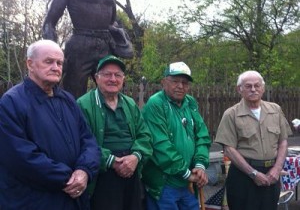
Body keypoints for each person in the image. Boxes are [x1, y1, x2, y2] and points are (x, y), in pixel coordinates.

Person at [0, 40, 101, 210]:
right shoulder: (12, 102)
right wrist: (68, 177)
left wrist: (84, 171)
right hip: (33, 200)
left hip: (73, 199)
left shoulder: (67, 100)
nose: (56, 67)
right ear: (30, 64)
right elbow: (20, 157)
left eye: (59, 63)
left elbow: (88, 140)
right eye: (49, 61)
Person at [77, 54, 152, 210]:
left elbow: (144, 134)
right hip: (103, 172)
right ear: (96, 78)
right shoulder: (83, 104)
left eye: (117, 75)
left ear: (123, 79)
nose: (113, 79)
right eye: (107, 74)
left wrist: (136, 157)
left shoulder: (130, 104)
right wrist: (111, 161)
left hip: (132, 168)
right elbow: (82, 141)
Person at [215, 70, 292, 210]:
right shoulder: (231, 114)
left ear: (263, 88)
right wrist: (253, 173)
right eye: (248, 86)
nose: (253, 89)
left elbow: (283, 141)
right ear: (239, 89)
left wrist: (277, 169)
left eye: (257, 85)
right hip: (243, 176)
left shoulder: (275, 110)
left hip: (271, 174)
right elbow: (229, 149)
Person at [142, 61, 211, 210]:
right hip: (165, 184)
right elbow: (160, 145)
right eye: (175, 81)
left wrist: (200, 165)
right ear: (163, 82)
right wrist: (186, 173)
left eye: (185, 82)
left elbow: (202, 136)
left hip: (188, 183)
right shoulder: (156, 104)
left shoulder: (190, 103)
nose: (180, 86)